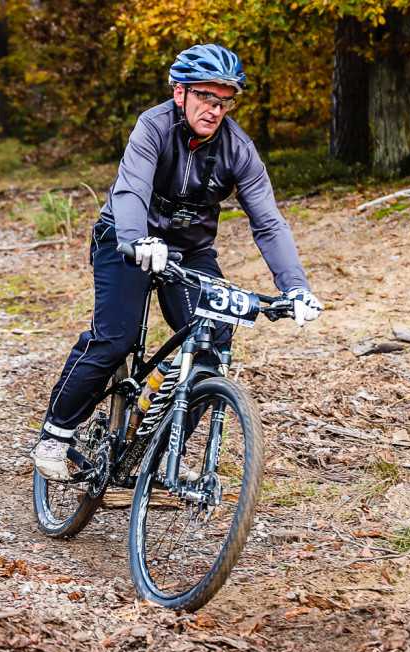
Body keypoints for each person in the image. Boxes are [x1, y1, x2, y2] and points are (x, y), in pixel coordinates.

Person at [30, 44, 323, 481]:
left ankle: (156, 459)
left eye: (225, 100)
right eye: (206, 97)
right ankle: (57, 433)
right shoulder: (153, 126)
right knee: (117, 336)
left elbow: (268, 222)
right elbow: (130, 190)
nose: (216, 109)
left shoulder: (237, 149)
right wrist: (135, 239)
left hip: (189, 251)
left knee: (212, 342)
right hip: (126, 239)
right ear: (179, 93)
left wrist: (296, 285)